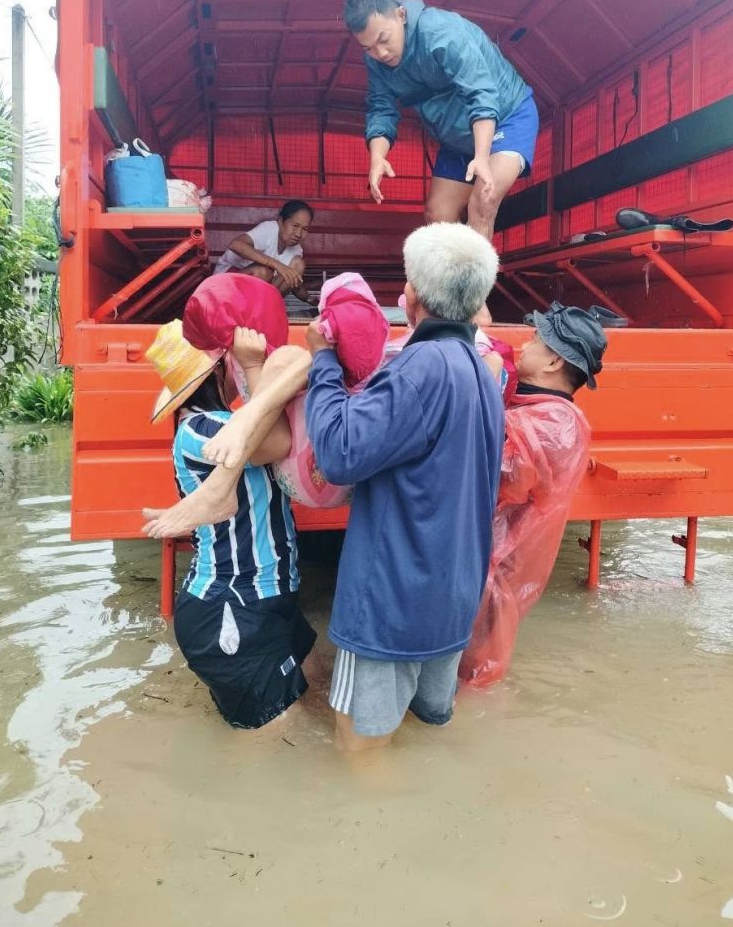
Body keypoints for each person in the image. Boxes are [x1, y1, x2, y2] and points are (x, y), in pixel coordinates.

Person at [304, 222, 505, 749]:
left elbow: (340, 453)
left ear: (410, 296)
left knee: (360, 746)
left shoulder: (420, 368)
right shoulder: (481, 370)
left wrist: (322, 361)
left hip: (392, 601)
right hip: (451, 595)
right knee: (422, 735)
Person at [142, 293, 316, 730]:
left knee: (297, 702)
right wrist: (255, 366)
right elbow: (278, 441)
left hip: (259, 600)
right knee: (272, 735)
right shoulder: (203, 429)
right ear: (220, 369)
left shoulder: (228, 422)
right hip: (235, 604)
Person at [459, 304, 607, 688]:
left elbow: (496, 470)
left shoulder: (557, 424)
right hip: (481, 559)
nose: (524, 347)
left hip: (493, 566)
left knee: (470, 672)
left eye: (535, 340)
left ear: (554, 362)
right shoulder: (539, 409)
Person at [344, 0, 539, 239]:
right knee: (438, 215)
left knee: (483, 201)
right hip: (458, 138)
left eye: (383, 39)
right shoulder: (376, 60)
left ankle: (476, 268)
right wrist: (377, 157)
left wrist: (482, 157)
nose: (380, 53)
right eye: (367, 47)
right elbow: (381, 108)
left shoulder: (440, 32)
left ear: (401, 15)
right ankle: (453, 268)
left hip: (506, 118)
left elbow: (480, 93)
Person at [214, 199, 318, 305]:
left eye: (305, 229)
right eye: (295, 226)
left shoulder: (297, 250)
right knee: (264, 272)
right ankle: (241, 306)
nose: (298, 234)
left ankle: (262, 306)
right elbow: (236, 244)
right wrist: (276, 264)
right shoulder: (270, 229)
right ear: (281, 221)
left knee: (298, 264)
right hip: (225, 286)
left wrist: (310, 299)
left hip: (255, 295)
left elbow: (293, 283)